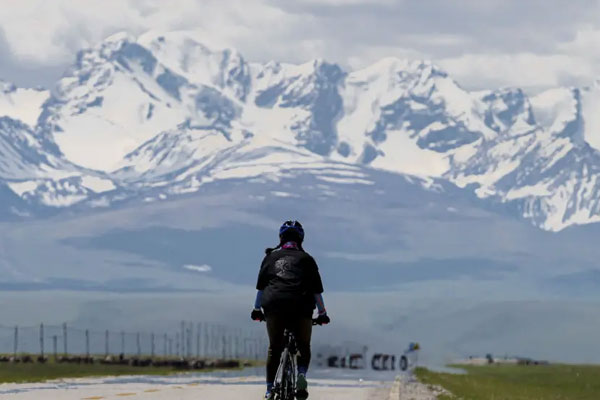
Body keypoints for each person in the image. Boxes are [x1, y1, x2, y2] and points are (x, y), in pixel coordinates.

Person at [251, 220, 330, 400]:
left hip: (274, 305)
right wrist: (323, 314)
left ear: (281, 238)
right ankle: (301, 375)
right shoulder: (307, 259)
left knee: (274, 348)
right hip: (301, 306)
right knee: (303, 345)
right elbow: (316, 292)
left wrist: (256, 309)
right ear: (301, 239)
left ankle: (270, 390)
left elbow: (261, 288)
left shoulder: (270, 258)